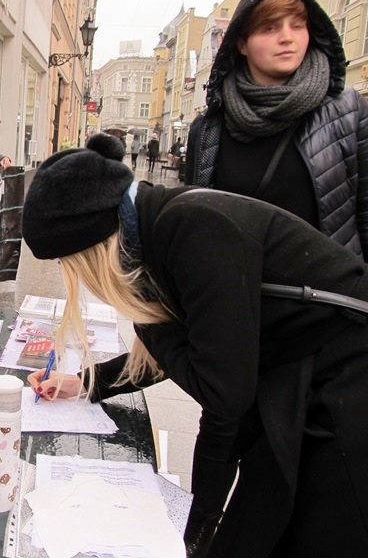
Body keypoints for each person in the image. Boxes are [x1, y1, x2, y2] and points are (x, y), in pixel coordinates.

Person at [22, 133, 368, 557]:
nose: (68, 271)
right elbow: (191, 351)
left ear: (91, 244)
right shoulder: (154, 226)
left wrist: (199, 527)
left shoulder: (192, 229)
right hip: (300, 373)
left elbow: (223, 394)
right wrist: (86, 383)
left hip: (348, 387)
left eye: (65, 260)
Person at [185, 0, 368, 257]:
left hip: (323, 294)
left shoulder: (347, 113)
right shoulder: (209, 128)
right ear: (242, 43)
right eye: (269, 27)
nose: (287, 37)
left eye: (297, 25)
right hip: (233, 294)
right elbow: (194, 226)